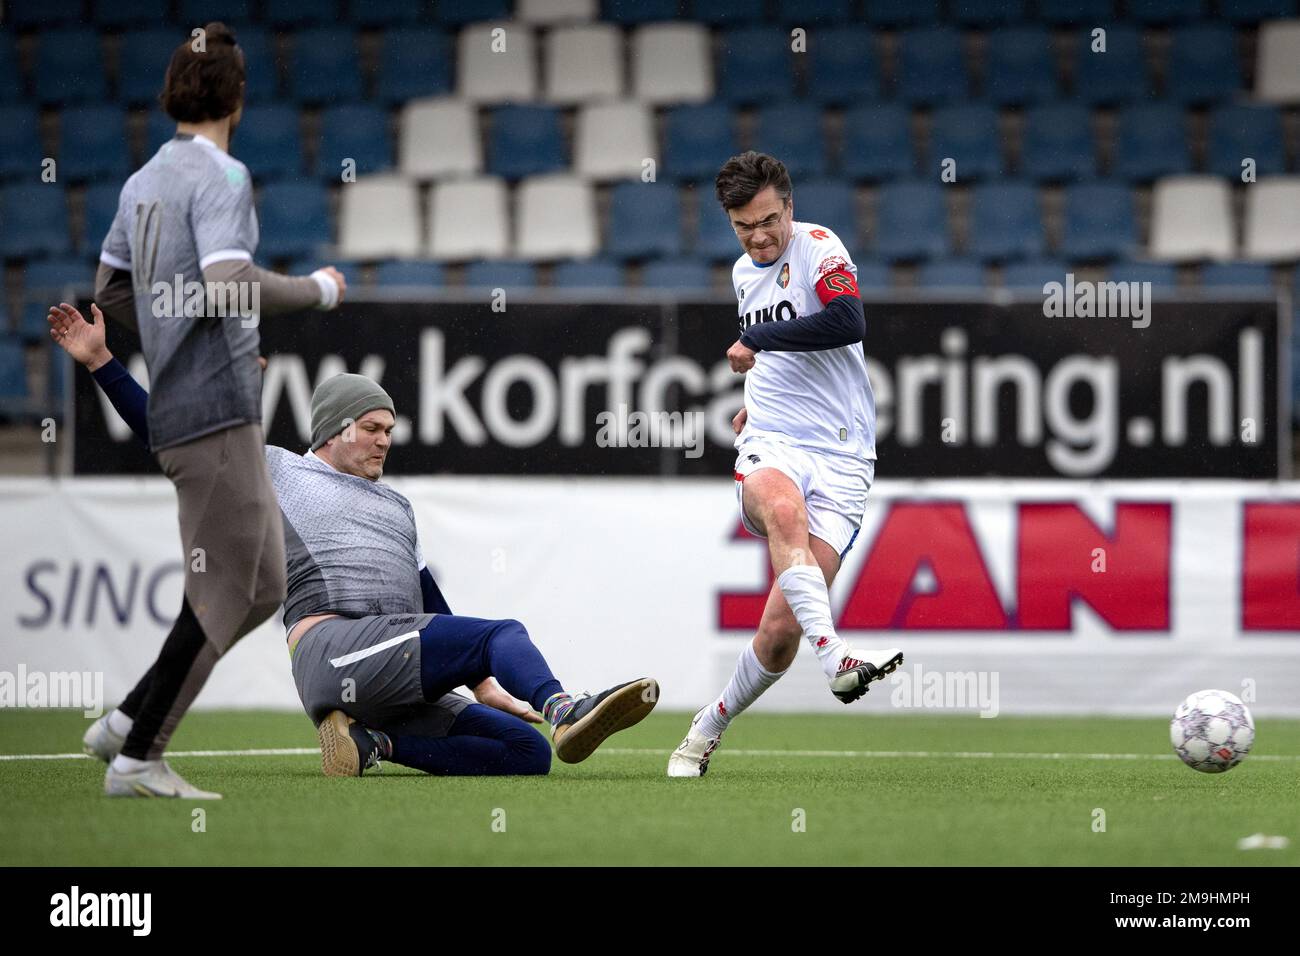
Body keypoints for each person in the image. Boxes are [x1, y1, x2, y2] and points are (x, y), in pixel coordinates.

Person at [52, 303, 658, 780]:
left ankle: (371, 743)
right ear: (332, 432)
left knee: (523, 752)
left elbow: (431, 606)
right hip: (333, 651)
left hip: (390, 667)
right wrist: (101, 359)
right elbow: (170, 435)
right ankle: (563, 709)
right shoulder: (279, 472)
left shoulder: (398, 506)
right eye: (371, 427)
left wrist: (482, 685)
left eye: (389, 429)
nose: (384, 440)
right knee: (502, 632)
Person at [71, 22, 348, 798]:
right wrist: (318, 291)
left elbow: (113, 292)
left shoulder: (140, 183)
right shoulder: (223, 178)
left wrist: (175, 336)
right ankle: (137, 756)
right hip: (215, 413)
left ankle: (128, 721)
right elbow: (230, 279)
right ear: (237, 96)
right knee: (229, 588)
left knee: (261, 584)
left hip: (197, 406)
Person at [668, 151, 902, 778]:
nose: (761, 236)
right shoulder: (745, 273)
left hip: (844, 453)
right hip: (773, 441)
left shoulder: (822, 249)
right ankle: (837, 659)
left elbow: (845, 321)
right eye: (745, 226)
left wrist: (759, 342)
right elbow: (774, 358)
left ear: (789, 209)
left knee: (778, 633)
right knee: (781, 508)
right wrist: (752, 404)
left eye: (770, 220)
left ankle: (708, 723)